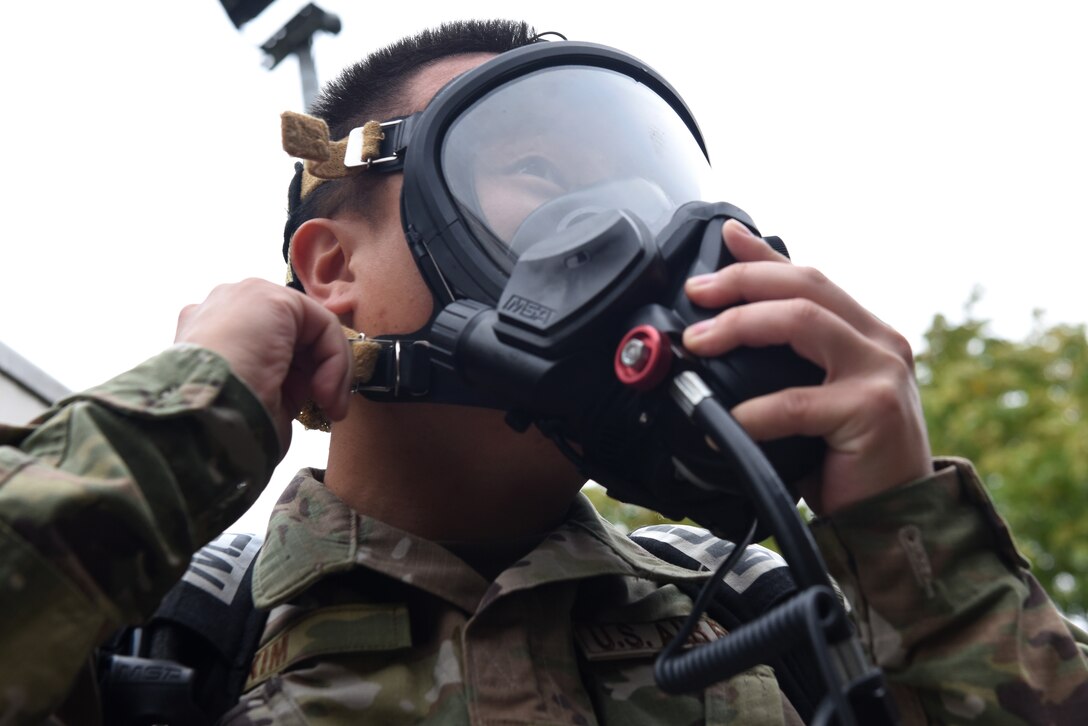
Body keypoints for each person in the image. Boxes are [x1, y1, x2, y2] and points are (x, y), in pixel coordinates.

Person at [2, 18, 1086, 725]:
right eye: (534, 168)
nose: (628, 230)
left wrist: (906, 542)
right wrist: (184, 408)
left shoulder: (778, 606)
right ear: (330, 271)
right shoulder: (158, 638)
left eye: (645, 191)